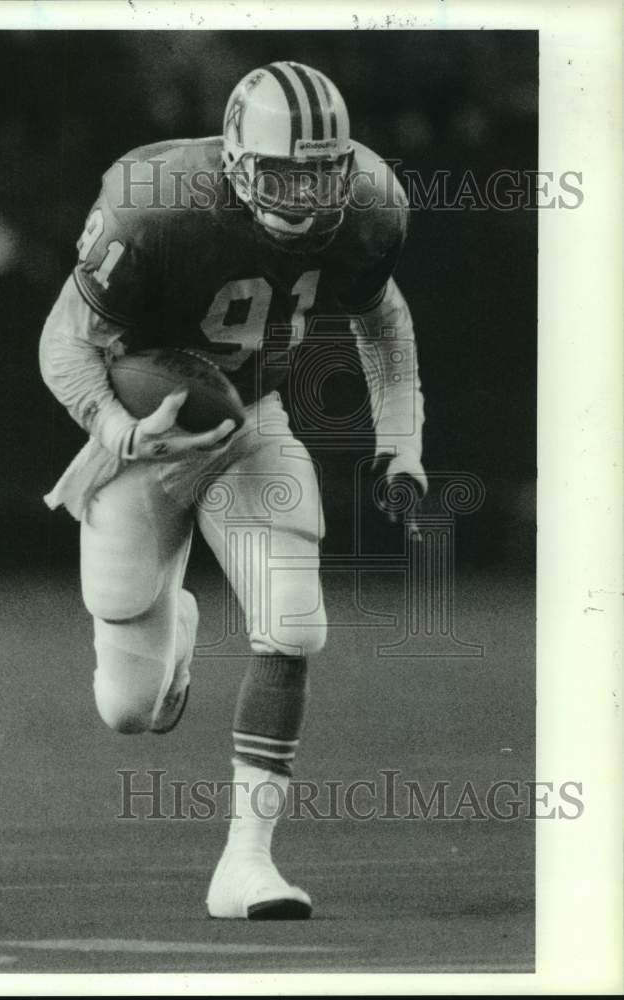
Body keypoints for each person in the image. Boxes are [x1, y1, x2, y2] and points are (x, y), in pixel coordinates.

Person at [39, 61, 426, 920]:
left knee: (293, 623)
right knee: (128, 710)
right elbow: (62, 341)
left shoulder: (367, 205)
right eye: (283, 171)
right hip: (147, 438)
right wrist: (111, 421)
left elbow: (383, 320)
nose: (305, 193)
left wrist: (401, 440)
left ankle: (246, 864)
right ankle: (172, 628)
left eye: (320, 172)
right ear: (237, 159)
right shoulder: (156, 201)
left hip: (251, 418)